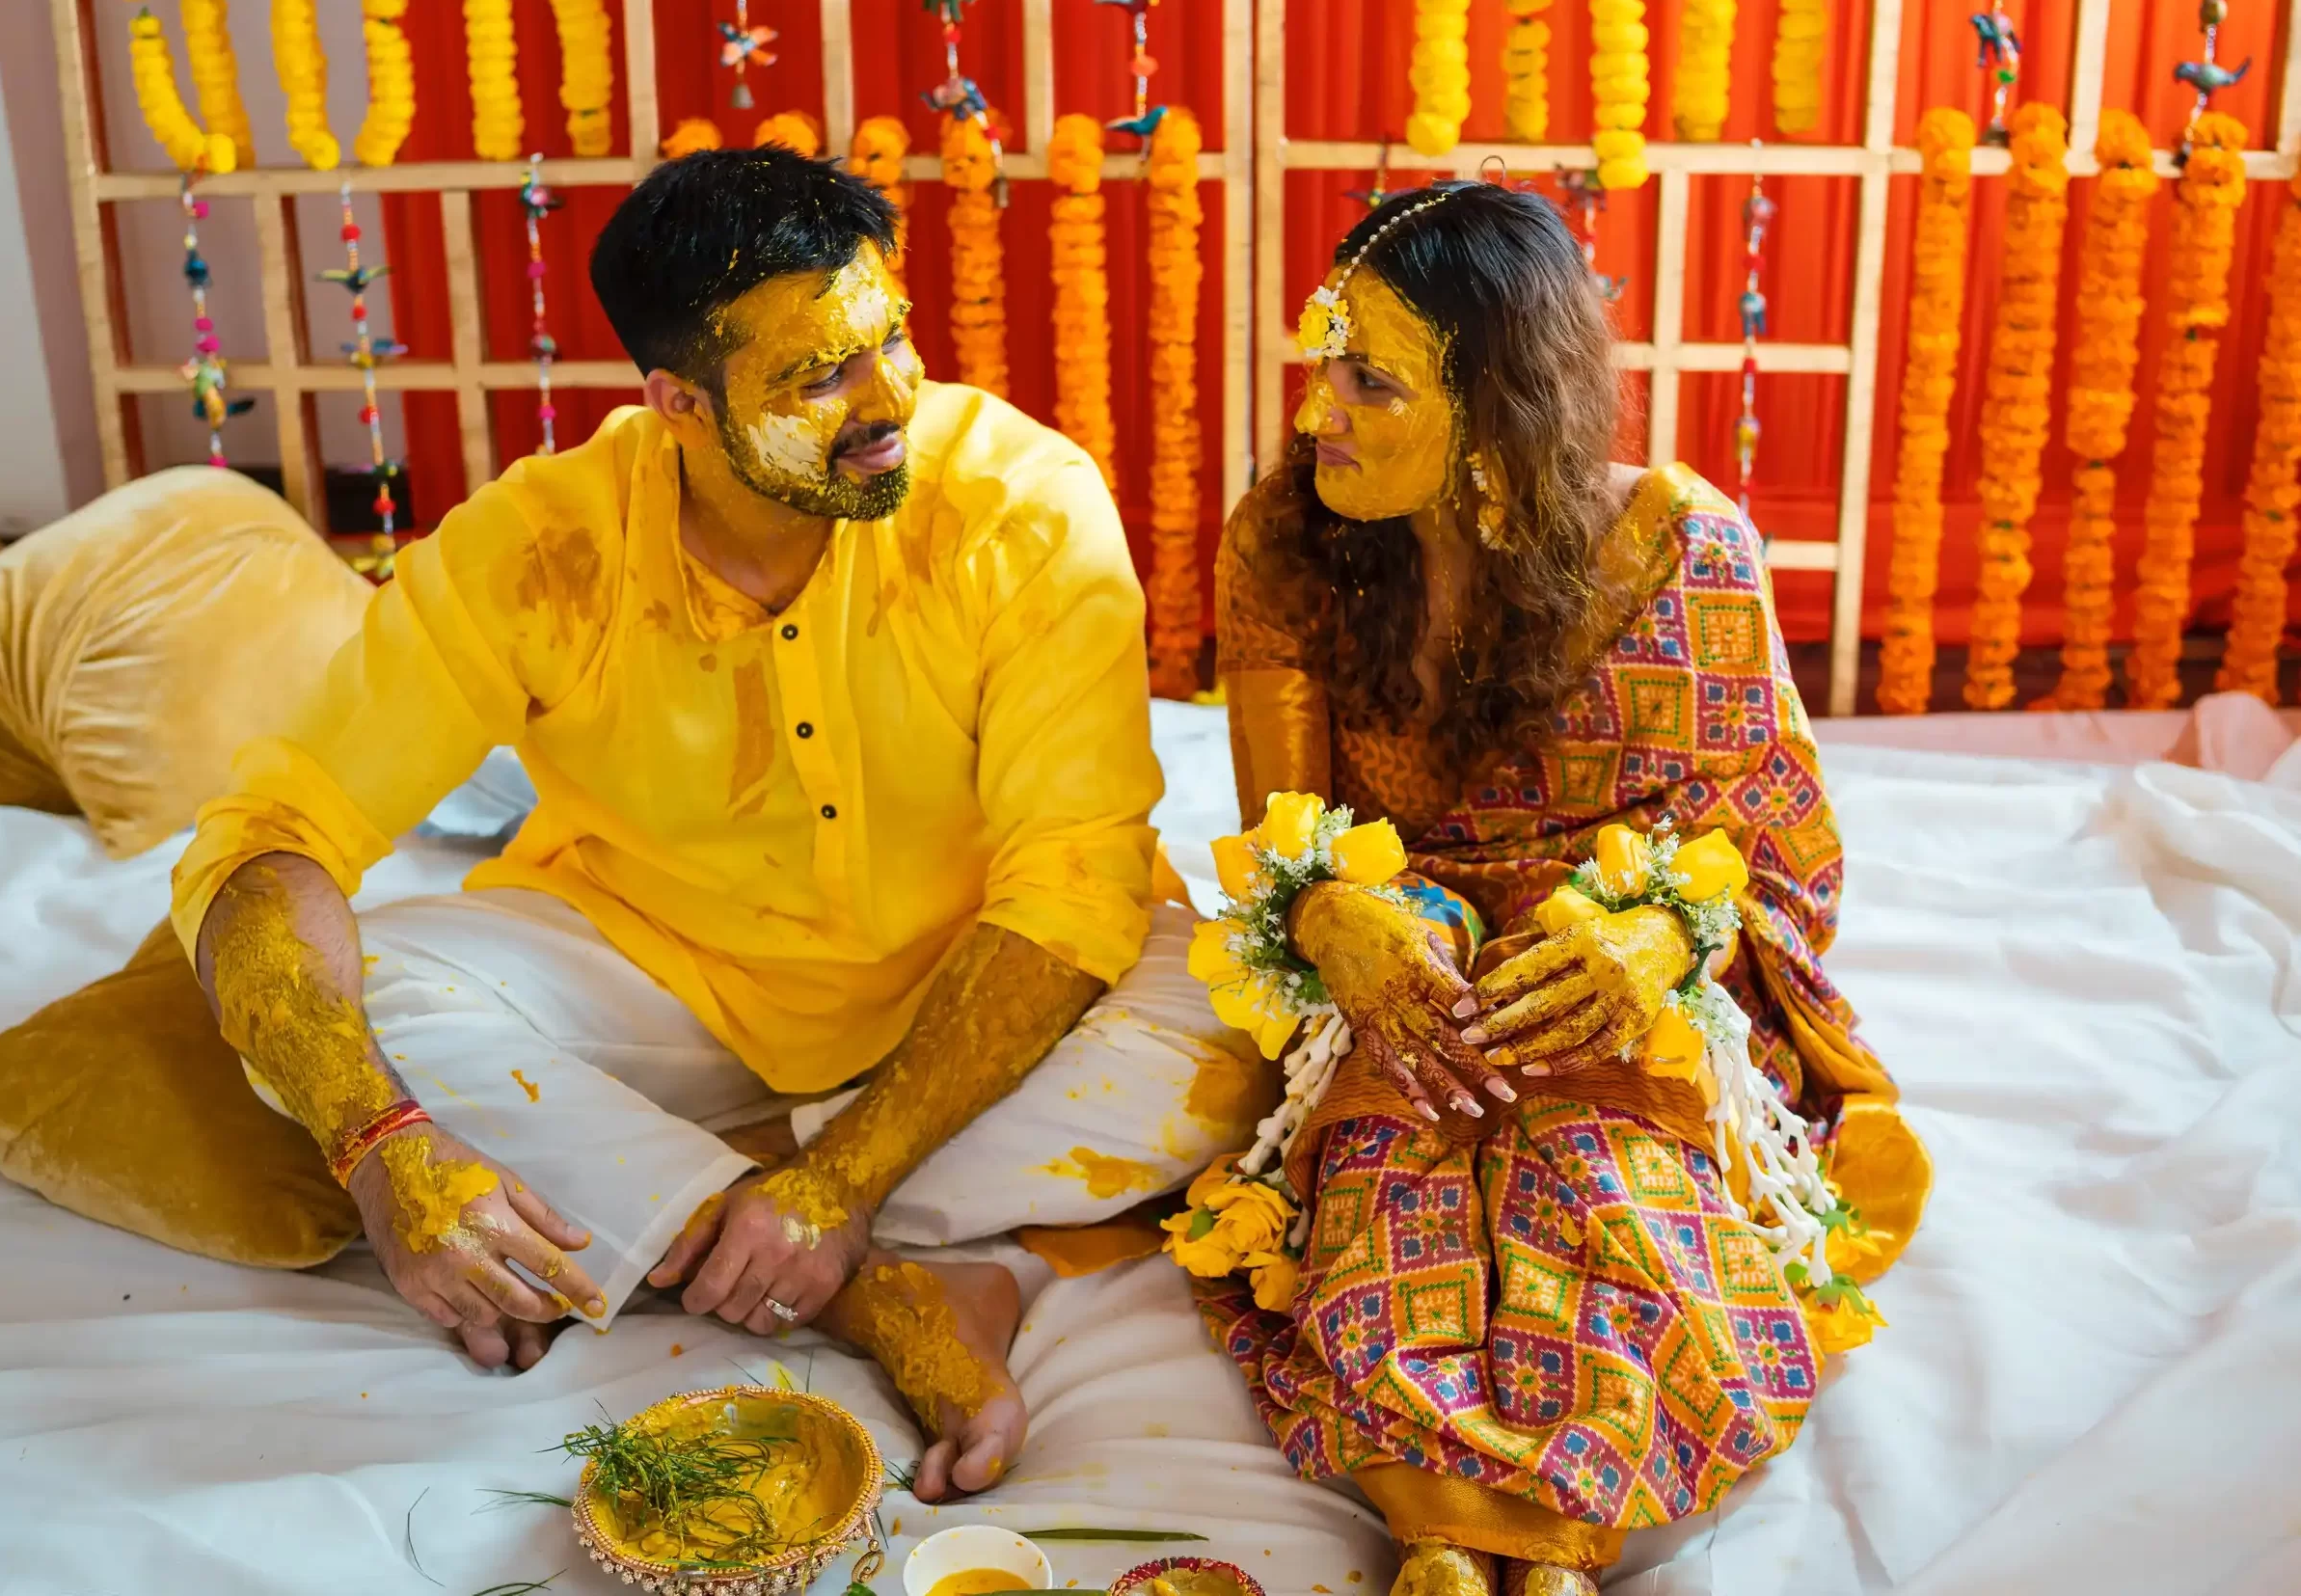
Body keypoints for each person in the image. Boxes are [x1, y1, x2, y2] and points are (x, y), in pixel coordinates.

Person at [170, 146, 1264, 1504]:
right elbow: (271, 832)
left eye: (890, 341)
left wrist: (844, 1175)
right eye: (819, 378)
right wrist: (377, 1146)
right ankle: (875, 1290)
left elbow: (1072, 886)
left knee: (1243, 1009)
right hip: (667, 989)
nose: (889, 403)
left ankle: (693, 1207)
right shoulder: (538, 548)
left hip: (970, 997)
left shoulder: (1020, 504)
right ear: (676, 402)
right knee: (376, 992)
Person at [1197, 182, 1931, 1595]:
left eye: (1366, 379)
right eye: (1320, 366)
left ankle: (1548, 1548)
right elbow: (1281, 839)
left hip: (1620, 980)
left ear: (1494, 410)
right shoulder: (1284, 546)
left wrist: (1655, 934)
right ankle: (1448, 1544)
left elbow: (1773, 843)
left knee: (1610, 1191)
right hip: (1408, 968)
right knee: (1390, 1185)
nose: (1312, 415)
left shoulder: (1683, 549)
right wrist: (1323, 915)